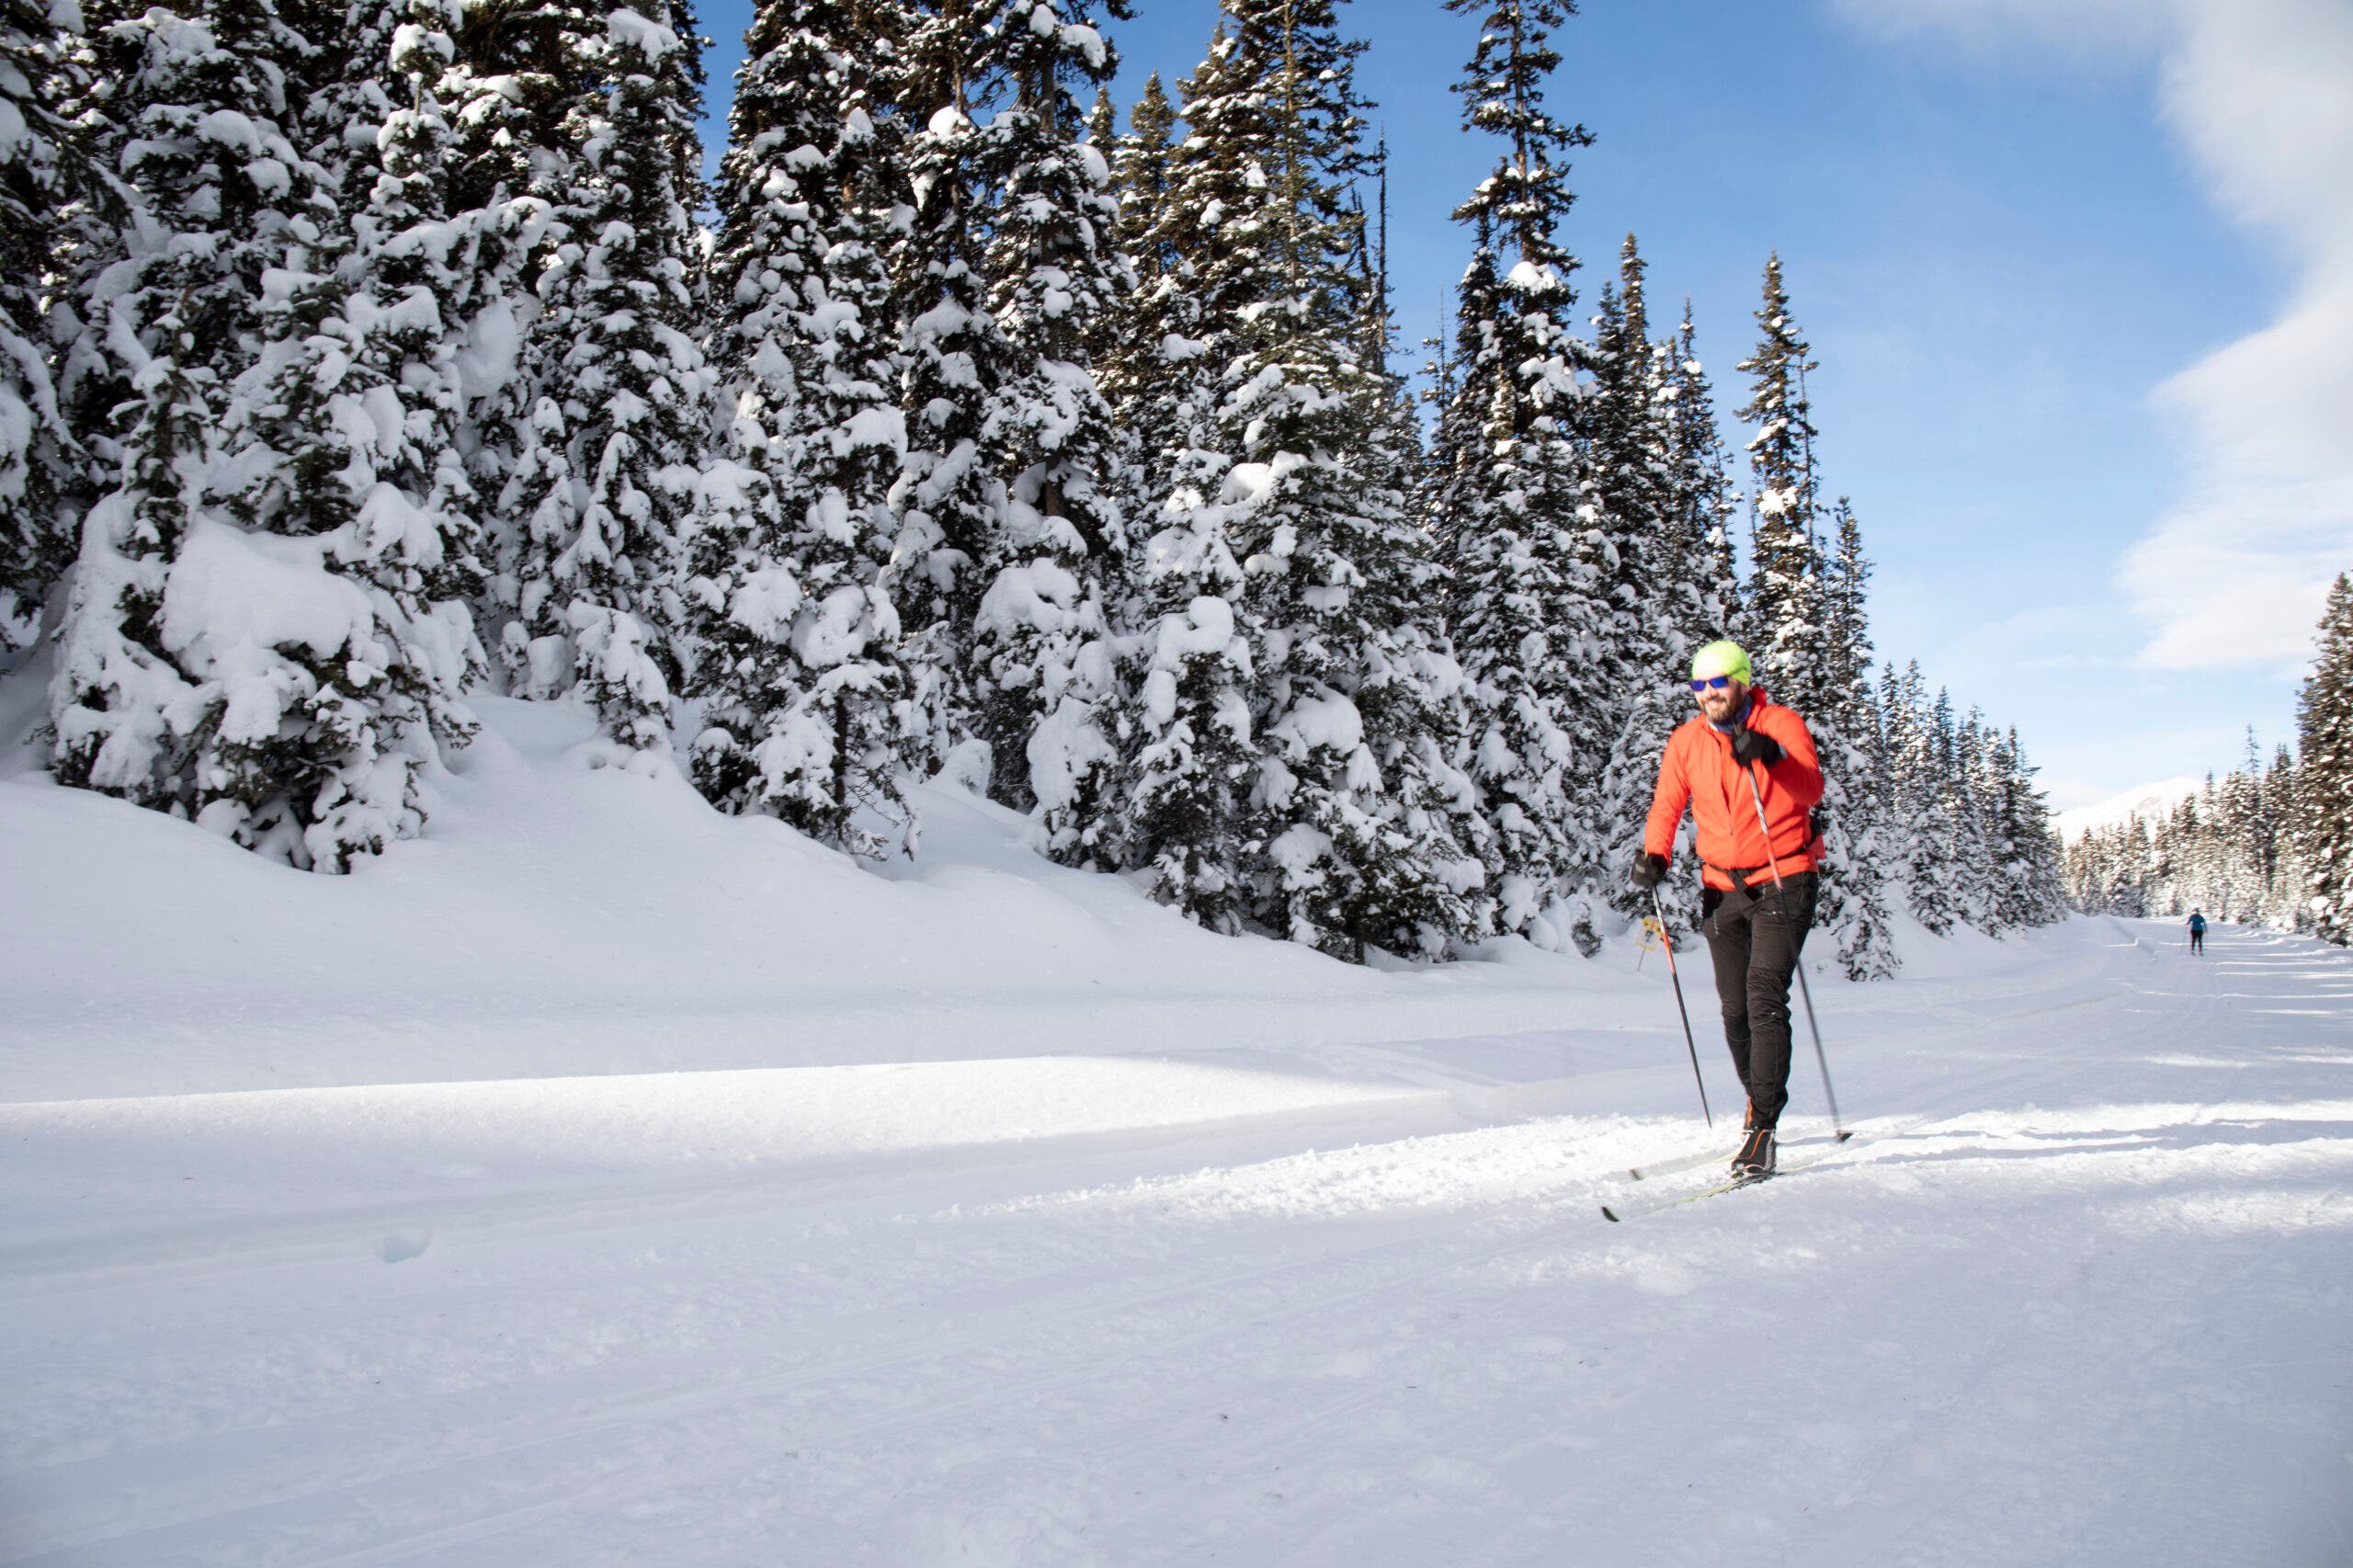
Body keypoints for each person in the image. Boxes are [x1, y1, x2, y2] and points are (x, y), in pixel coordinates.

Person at [1631, 640, 1826, 1177]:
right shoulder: (1687, 740)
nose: (1709, 694)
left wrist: (1771, 757)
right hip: (1722, 887)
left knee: (1764, 993)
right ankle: (1755, 1098)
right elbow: (1667, 805)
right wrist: (1655, 854)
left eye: (1718, 682)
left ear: (1741, 680)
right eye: (1699, 685)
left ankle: (1763, 1127)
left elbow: (1811, 788)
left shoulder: (1780, 724)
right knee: (1734, 1010)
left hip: (1786, 877)